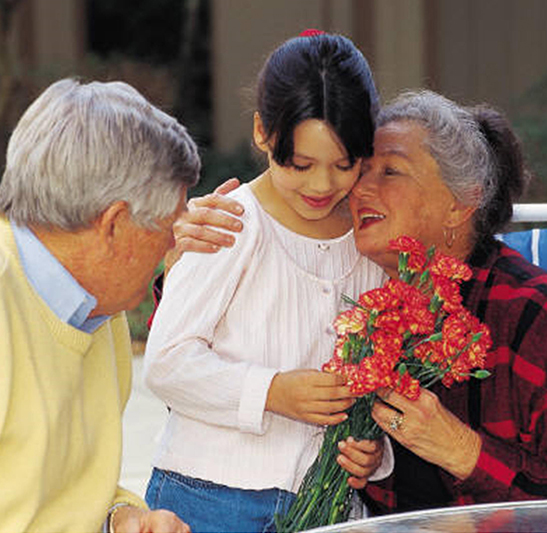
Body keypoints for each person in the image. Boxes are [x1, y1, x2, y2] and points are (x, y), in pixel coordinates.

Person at [168, 89, 547, 511]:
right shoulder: (364, 293)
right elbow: (231, 328)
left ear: (460, 201)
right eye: (357, 169)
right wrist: (194, 254)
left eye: (390, 172)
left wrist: (460, 449)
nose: (358, 189)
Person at [0, 78, 198, 533]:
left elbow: (45, 493)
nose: (175, 240)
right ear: (113, 225)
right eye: (170, 223)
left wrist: (119, 518)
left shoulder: (96, 307)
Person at [142, 31, 391, 532]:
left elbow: (375, 375)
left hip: (330, 504)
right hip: (210, 496)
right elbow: (166, 363)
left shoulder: (371, 241)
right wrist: (271, 391)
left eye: (345, 165)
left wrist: (375, 454)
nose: (322, 186)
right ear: (262, 132)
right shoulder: (230, 224)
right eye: (300, 165)